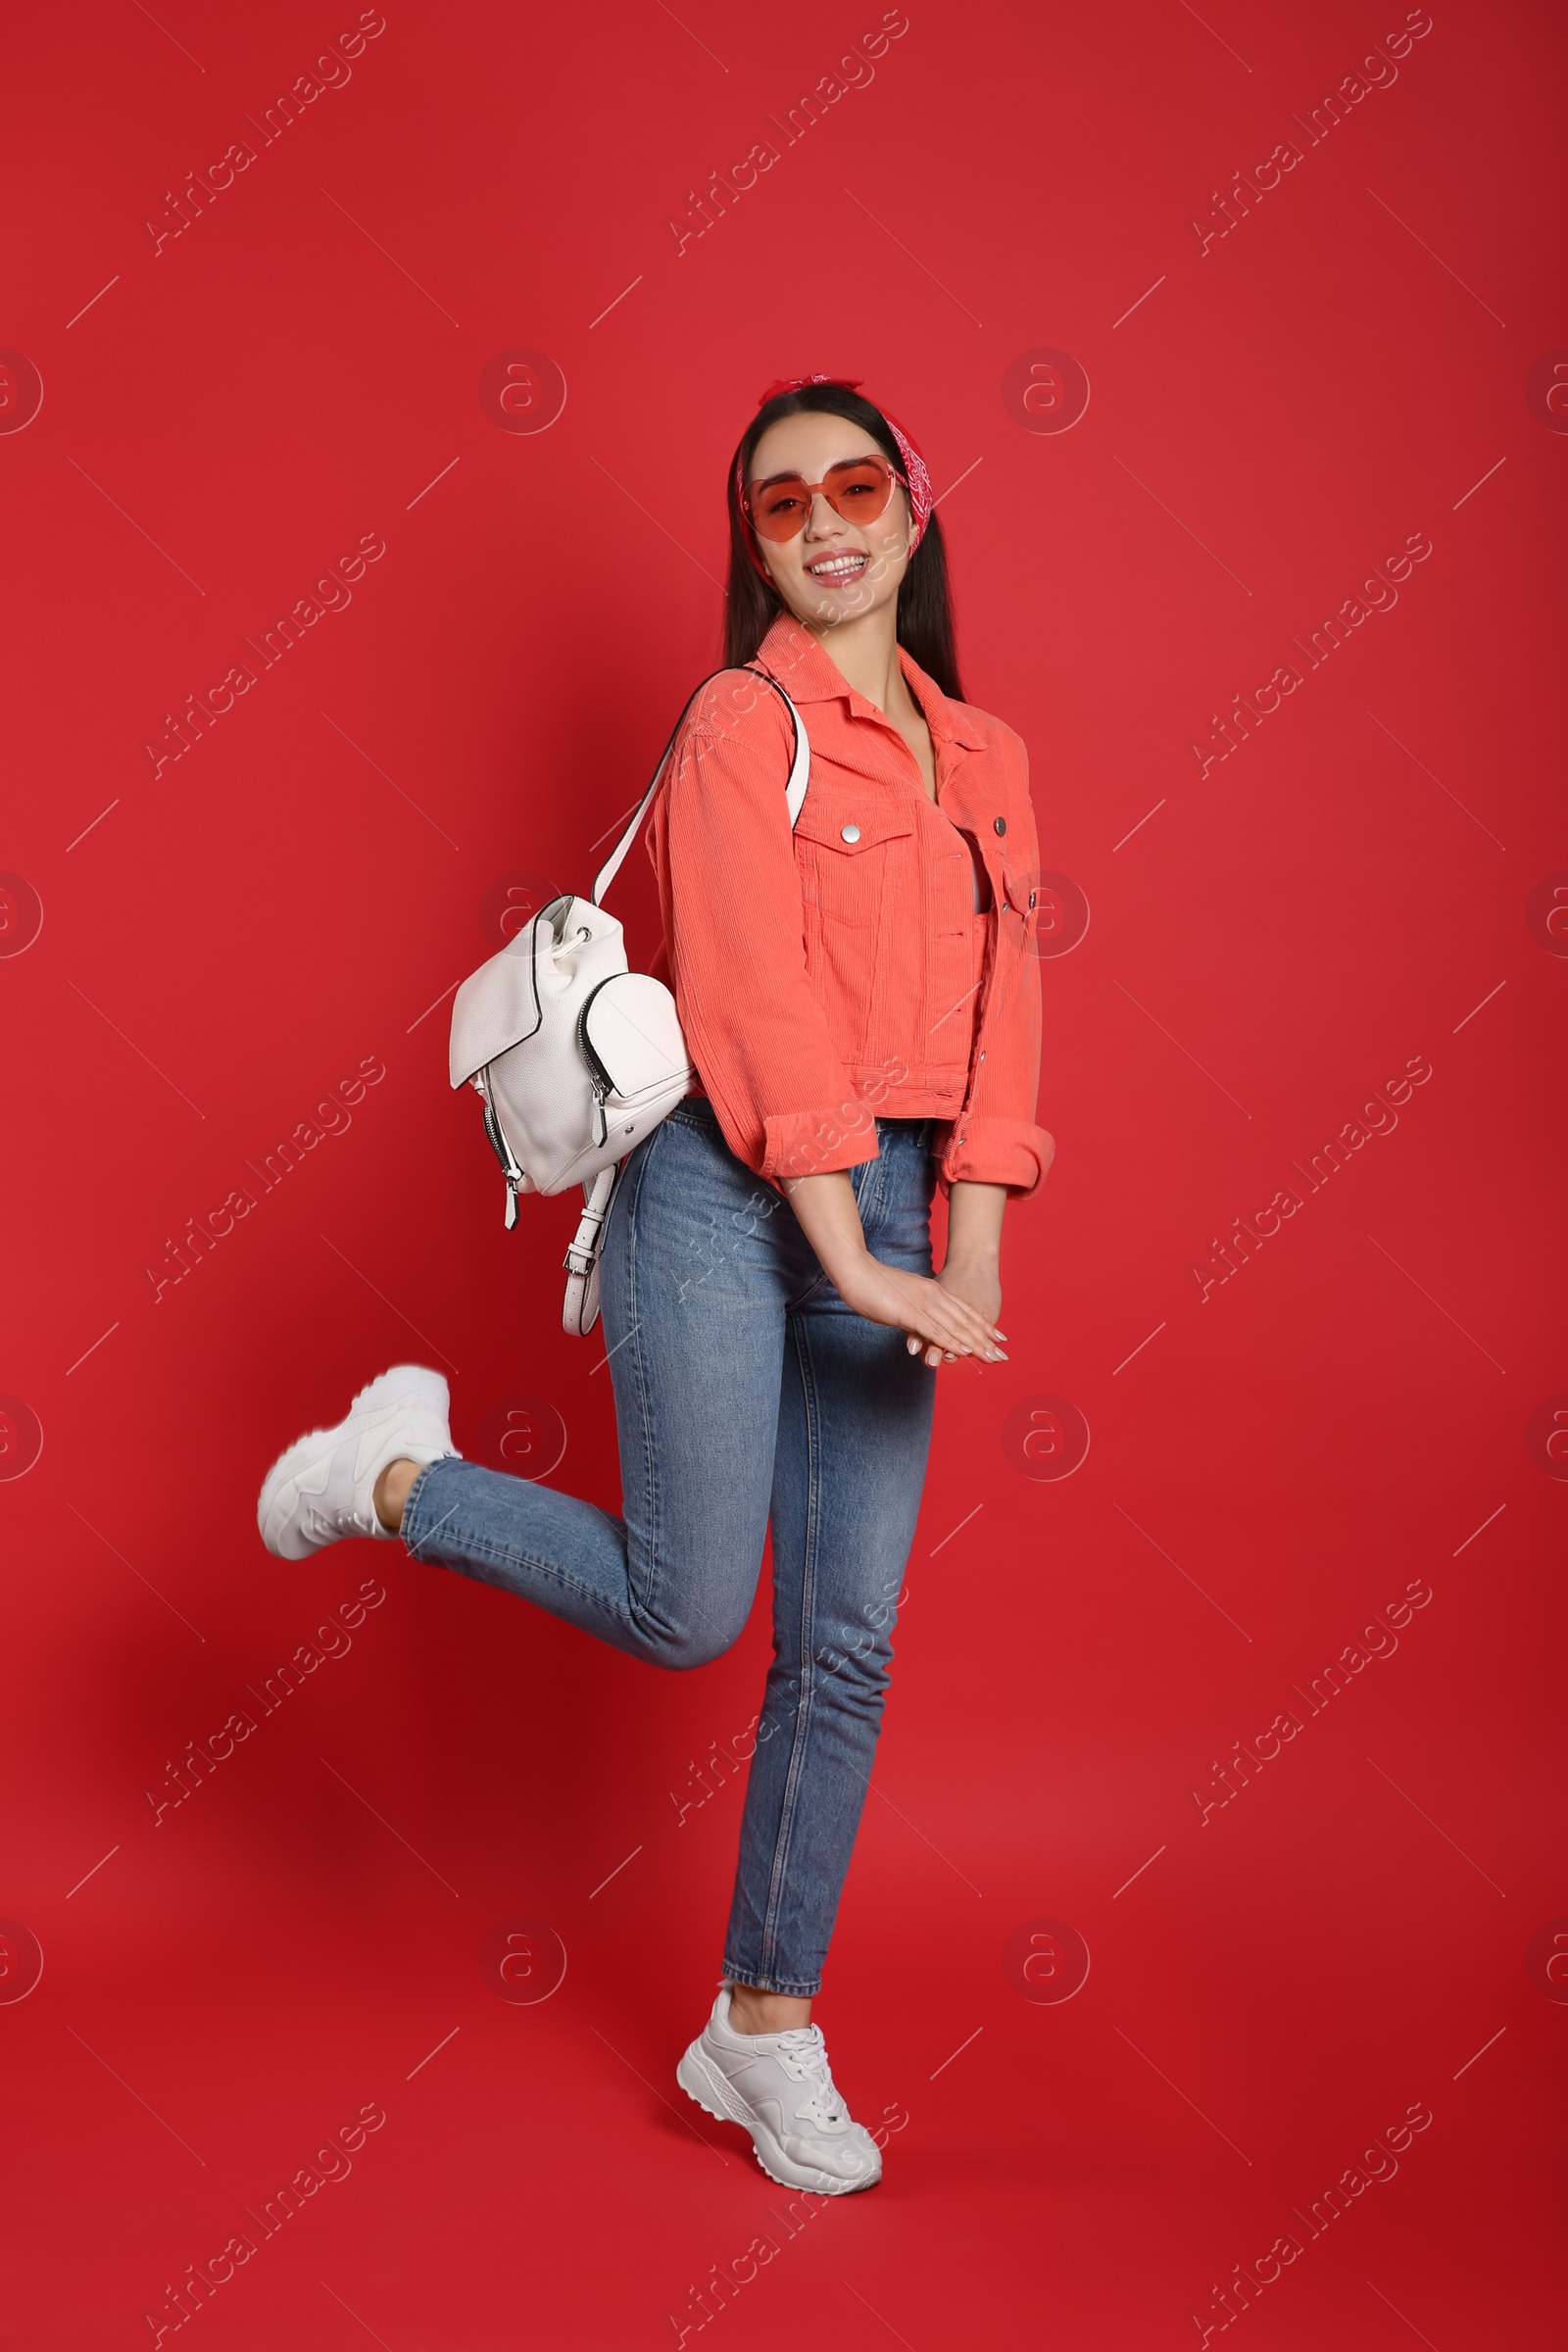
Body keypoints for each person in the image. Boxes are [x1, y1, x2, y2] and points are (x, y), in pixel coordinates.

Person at [257, 373, 1053, 2194]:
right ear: (755, 543)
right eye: (782, 506)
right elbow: (761, 1002)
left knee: (844, 1640)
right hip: (719, 1176)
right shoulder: (736, 720)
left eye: (857, 487)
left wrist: (965, 1248)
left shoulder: (986, 755)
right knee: (696, 1610)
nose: (826, 524)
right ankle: (395, 1474)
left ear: (915, 514)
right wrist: (857, 1251)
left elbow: (1013, 1019)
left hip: (902, 1188)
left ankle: (760, 2031)